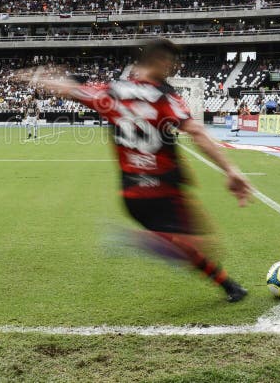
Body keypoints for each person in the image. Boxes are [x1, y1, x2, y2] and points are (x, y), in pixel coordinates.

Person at [16, 39, 253, 302]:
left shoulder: (112, 93)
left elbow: (70, 89)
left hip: (132, 195)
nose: (173, 68)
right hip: (164, 189)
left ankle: (230, 286)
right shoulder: (165, 97)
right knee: (199, 245)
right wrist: (231, 170)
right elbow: (196, 131)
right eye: (171, 62)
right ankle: (134, 240)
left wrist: (34, 76)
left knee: (186, 246)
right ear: (161, 62)